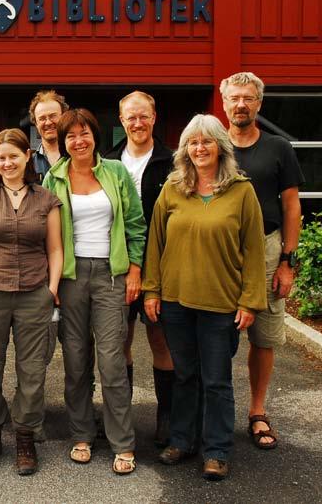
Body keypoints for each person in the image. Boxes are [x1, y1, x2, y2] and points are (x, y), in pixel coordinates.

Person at [143, 114, 266, 481]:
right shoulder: (173, 188)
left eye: (207, 141)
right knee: (184, 375)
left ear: (220, 147)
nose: (200, 148)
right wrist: (152, 289)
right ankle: (182, 440)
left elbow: (254, 250)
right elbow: (155, 243)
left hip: (221, 303)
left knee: (216, 380)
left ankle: (216, 450)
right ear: (185, 149)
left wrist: (249, 301)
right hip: (176, 301)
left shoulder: (241, 191)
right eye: (193, 142)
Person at [42, 108, 145, 476]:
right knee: (74, 358)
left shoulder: (115, 172)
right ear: (63, 142)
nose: (78, 141)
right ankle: (82, 434)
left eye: (84, 133)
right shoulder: (53, 177)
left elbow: (135, 223)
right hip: (70, 276)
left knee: (113, 360)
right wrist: (51, 282)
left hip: (110, 275)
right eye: (71, 136)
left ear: (94, 135)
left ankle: (122, 442)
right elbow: (45, 235)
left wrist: (135, 269)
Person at [0, 129, 63, 475]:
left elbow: (55, 248)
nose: (7, 163)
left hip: (34, 293)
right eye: (1, 157)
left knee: (32, 370)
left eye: (13, 156)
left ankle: (25, 436)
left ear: (27, 158)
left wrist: (51, 289)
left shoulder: (46, 198)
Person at [221, 72, 304, 450]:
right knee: (218, 334)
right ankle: (216, 412)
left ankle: (257, 411)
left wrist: (287, 259)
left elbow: (291, 205)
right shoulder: (213, 147)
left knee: (263, 336)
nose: (241, 104)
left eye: (248, 98)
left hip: (268, 248)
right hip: (222, 254)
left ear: (259, 104)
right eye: (235, 98)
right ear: (223, 103)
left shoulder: (278, 147)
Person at [104, 90, 175, 447]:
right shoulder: (108, 161)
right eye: (130, 117)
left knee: (160, 338)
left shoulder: (173, 161)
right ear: (121, 121)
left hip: (160, 265)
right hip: (119, 266)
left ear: (154, 117)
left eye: (143, 116)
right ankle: (123, 417)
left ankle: (167, 416)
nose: (137, 123)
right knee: (121, 339)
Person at [28, 90, 69, 181]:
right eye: (42, 118)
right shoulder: (28, 163)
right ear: (36, 124)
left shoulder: (77, 157)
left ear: (64, 117)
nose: (48, 122)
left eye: (53, 116)